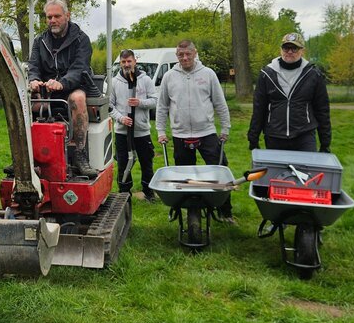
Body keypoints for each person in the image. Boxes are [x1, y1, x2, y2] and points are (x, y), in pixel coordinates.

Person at [156, 40, 234, 222]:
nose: (184, 58)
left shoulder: (208, 74)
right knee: (183, 177)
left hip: (206, 132)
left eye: (188, 54)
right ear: (177, 56)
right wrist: (161, 130)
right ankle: (186, 211)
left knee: (220, 171)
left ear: (194, 53)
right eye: (180, 55)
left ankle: (225, 211)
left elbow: (220, 103)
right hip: (180, 134)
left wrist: (225, 127)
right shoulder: (169, 76)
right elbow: (162, 107)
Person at [28, 0, 98, 178]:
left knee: (77, 99)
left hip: (72, 86)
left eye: (57, 16)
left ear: (67, 16)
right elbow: (33, 66)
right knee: (27, 100)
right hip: (48, 90)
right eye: (49, 17)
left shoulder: (81, 40)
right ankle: (28, 153)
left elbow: (79, 69)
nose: (52, 20)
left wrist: (62, 83)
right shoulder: (39, 41)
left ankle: (79, 154)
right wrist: (34, 80)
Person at [247, 32, 331, 153]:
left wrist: (325, 142)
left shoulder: (313, 74)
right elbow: (259, 108)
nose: (290, 51)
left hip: (304, 136)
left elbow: (322, 109)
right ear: (281, 49)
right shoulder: (267, 74)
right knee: (276, 172)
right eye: (286, 48)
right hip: (274, 136)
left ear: (302, 50)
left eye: (294, 48)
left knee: (306, 172)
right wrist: (253, 138)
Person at [109, 49, 157, 201]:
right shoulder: (114, 82)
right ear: (120, 63)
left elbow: (155, 100)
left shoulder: (145, 79)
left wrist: (140, 103)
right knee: (123, 163)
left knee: (146, 162)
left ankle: (149, 192)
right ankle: (124, 194)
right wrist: (121, 118)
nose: (126, 64)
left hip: (142, 131)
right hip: (123, 132)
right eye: (123, 62)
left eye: (129, 61)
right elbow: (109, 106)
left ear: (135, 61)